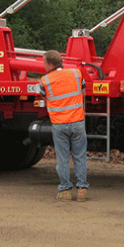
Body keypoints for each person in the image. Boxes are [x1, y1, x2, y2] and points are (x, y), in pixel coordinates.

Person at [39, 50, 90, 202]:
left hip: (59, 125)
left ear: (50, 64)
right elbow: (83, 92)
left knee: (62, 159)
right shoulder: (75, 74)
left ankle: (65, 190)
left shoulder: (45, 80)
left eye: (44, 63)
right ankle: (82, 190)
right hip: (77, 122)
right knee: (80, 157)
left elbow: (43, 96)